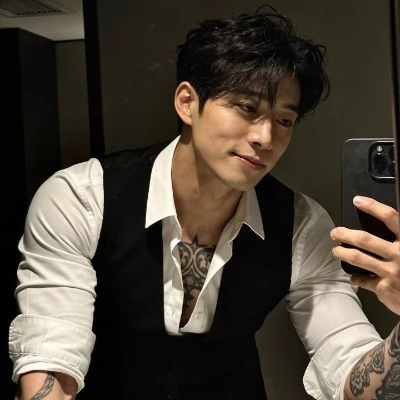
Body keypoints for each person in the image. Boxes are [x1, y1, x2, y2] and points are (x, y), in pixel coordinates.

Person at [8, 5, 400, 400]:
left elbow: (355, 382)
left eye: (284, 120)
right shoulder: (83, 197)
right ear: (186, 102)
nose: (265, 137)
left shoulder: (300, 223)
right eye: (247, 108)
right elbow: (50, 361)